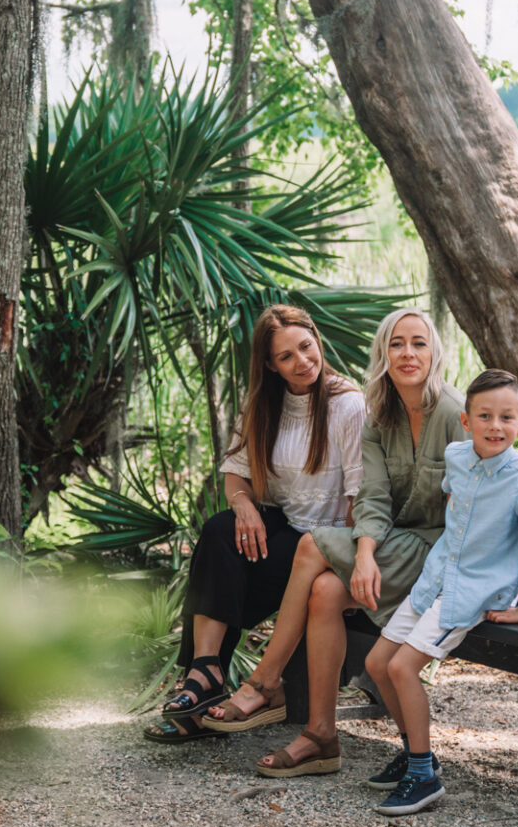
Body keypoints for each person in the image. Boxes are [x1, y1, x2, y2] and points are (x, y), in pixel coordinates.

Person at [204, 308, 463, 776]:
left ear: (435, 351)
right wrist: (364, 554)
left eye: (419, 343)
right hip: (394, 546)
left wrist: (517, 578)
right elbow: (374, 497)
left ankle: (265, 679)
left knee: (310, 547)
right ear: (382, 353)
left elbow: (493, 499)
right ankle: (321, 735)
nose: (407, 353)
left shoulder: (452, 412)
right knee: (324, 591)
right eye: (396, 344)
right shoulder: (379, 413)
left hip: (442, 555)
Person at [150, 303, 364, 754]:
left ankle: (210, 693)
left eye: (306, 347)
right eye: (286, 356)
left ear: (317, 339)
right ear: (270, 364)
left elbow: (359, 498)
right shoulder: (262, 404)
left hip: (328, 543)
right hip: (285, 530)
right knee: (220, 533)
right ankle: (206, 673)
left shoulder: (348, 403)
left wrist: (340, 555)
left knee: (235, 564)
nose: (302, 361)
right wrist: (244, 503)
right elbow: (235, 471)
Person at [363, 368, 518, 817]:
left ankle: (423, 776)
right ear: (466, 421)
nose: (496, 426)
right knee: (377, 663)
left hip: (474, 589)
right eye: (485, 416)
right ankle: (416, 750)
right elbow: (454, 502)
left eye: (507, 418)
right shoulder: (456, 456)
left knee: (404, 668)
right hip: (437, 577)